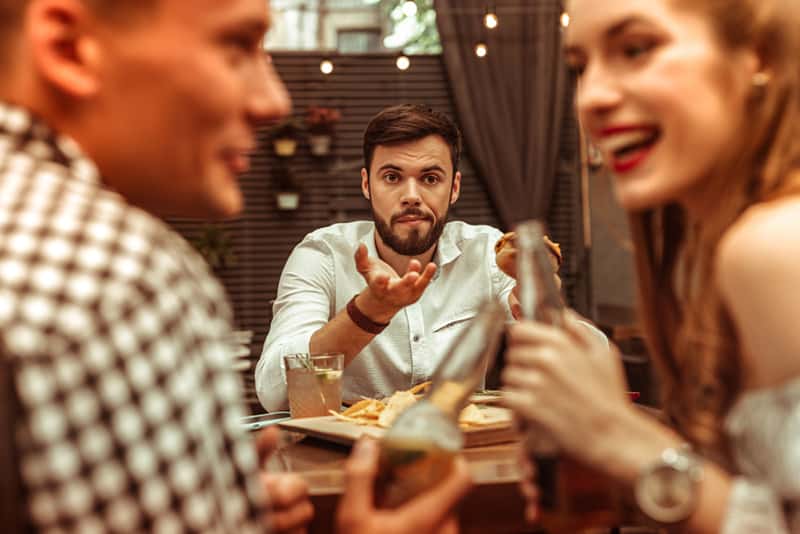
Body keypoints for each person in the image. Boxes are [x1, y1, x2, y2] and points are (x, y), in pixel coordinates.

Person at [0, 1, 471, 532]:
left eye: (430, 178)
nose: (274, 101)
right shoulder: (118, 281)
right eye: (237, 46)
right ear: (69, 48)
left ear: (453, 187)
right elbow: (278, 385)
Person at [503, 0, 800, 531]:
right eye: (579, 66)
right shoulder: (700, 258)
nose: (590, 99)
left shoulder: (773, 245)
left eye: (636, 49)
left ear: (758, 55)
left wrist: (620, 439)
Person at [257, 104, 516, 411]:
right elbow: (275, 392)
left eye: (430, 179)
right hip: (344, 448)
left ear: (454, 187)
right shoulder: (321, 255)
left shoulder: (489, 251)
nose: (411, 195)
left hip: (461, 445)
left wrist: (538, 305)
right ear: (367, 185)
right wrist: (370, 310)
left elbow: (583, 353)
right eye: (392, 177)